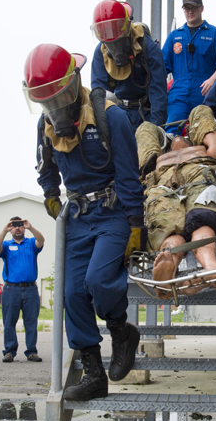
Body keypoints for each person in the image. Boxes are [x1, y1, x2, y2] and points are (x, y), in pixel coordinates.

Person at [24, 43, 146, 400]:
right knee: (71, 292)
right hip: (77, 218)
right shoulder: (45, 126)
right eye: (44, 101)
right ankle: (93, 373)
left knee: (98, 280)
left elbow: (128, 176)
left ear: (72, 83)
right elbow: (45, 168)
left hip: (112, 213)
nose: (52, 108)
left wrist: (135, 224)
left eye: (56, 98)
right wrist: (50, 193)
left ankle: (122, 331)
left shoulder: (112, 117)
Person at [136, 105, 216, 297]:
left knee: (201, 216)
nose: (178, 138)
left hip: (200, 170)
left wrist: (201, 126)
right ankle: (168, 262)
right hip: (163, 180)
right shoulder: (157, 160)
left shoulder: (203, 149)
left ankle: (210, 265)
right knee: (167, 224)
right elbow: (147, 132)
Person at [91, 0, 167, 130]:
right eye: (106, 32)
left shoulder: (149, 48)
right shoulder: (101, 52)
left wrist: (156, 128)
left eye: (114, 30)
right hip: (118, 113)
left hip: (146, 112)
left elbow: (158, 92)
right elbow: (99, 94)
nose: (111, 38)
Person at [162, 0, 216, 132]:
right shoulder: (174, 36)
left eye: (193, 7)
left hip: (205, 95)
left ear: (202, 8)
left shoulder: (215, 34)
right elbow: (162, 67)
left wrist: (212, 80)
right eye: (186, 8)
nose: (190, 11)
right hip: (179, 95)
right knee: (171, 133)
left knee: (205, 133)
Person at [0, 217, 45, 363]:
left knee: (31, 322)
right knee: (9, 321)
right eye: (14, 226)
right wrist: (4, 230)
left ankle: (31, 351)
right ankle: (9, 351)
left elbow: (41, 240)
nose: (18, 228)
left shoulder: (30, 243)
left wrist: (31, 227)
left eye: (20, 226)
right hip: (11, 289)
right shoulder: (6, 245)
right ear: (11, 229)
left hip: (30, 289)